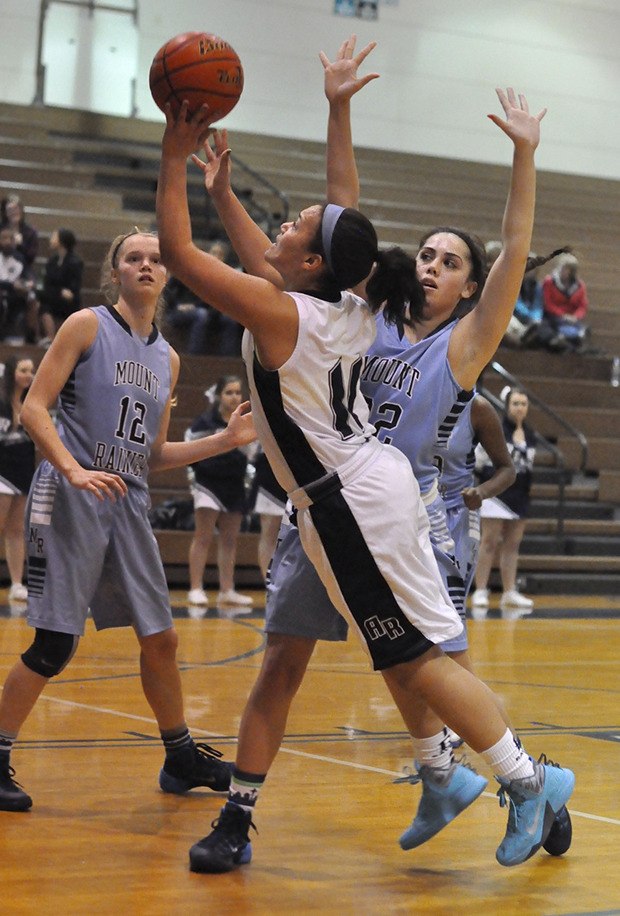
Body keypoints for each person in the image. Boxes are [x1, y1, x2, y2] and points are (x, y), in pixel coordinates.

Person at [156, 38, 574, 875]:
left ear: (469, 284)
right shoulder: (361, 311)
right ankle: (440, 775)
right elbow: (329, 219)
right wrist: (334, 109)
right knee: (378, 659)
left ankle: (528, 779)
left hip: (382, 505)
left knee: (421, 662)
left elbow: (235, 253)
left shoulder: (454, 342)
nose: (433, 265)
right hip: (331, 503)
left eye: (451, 261)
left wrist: (525, 156)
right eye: (427, 254)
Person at [0, 228, 257, 814]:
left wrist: (224, 440)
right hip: (71, 496)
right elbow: (34, 408)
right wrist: (72, 469)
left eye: (156, 259)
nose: (145, 265)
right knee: (54, 644)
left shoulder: (168, 357)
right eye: (133, 257)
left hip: (128, 502)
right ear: (114, 271)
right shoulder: (85, 326)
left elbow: (154, 454)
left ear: (168, 274)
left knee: (162, 638)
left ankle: (180, 757)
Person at [185, 374, 254, 608]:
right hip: (208, 484)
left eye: (238, 392)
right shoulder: (204, 423)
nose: (234, 397)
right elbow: (191, 453)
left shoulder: (246, 422)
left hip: (234, 485)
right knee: (203, 536)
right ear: (218, 395)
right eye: (229, 392)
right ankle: (195, 588)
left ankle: (227, 590)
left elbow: (252, 454)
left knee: (230, 540)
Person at [471, 386, 537, 614]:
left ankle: (509, 591)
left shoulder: (531, 434)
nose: (520, 408)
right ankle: (480, 589)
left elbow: (528, 466)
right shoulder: (497, 429)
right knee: (489, 541)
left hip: (520, 495)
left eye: (523, 404)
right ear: (507, 406)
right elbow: (480, 461)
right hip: (497, 493)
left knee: (512, 544)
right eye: (515, 403)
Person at [164, 239, 242, 355]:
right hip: (180, 311)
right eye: (214, 252)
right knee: (201, 315)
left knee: (231, 319)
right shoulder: (186, 270)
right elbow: (167, 291)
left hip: (210, 312)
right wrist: (178, 305)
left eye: (220, 255)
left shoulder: (224, 276)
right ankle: (194, 357)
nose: (216, 257)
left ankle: (227, 360)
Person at [0, 355, 36, 601]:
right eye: (24, 370)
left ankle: (16, 583)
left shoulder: (31, 405)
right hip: (2, 472)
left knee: (16, 529)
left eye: (31, 371)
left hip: (23, 471)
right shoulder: (1, 402)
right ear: (11, 372)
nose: (29, 375)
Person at [37, 228, 84, 345]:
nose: (51, 239)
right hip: (54, 294)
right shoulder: (52, 260)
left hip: (69, 299)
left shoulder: (75, 261)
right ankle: (49, 337)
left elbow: (73, 287)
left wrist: (63, 291)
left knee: (55, 302)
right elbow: (48, 282)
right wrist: (59, 291)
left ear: (62, 240)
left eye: (54, 236)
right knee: (42, 302)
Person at [249, 444, 287, 583]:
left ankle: (293, 586)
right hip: (270, 465)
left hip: (300, 465)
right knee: (269, 532)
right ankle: (270, 585)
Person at [542, 252, 589, 351]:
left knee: (578, 327)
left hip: (572, 318)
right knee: (554, 326)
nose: (565, 272)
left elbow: (582, 306)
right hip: (554, 316)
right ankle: (565, 339)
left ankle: (574, 337)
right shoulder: (549, 282)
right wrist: (562, 315)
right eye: (563, 268)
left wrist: (575, 316)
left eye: (568, 270)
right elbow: (548, 303)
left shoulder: (580, 285)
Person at [0, 226, 38, 343]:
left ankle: (31, 338)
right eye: (4, 238)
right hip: (3, 291)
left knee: (32, 299)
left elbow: (27, 274)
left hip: (15, 294)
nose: (7, 242)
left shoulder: (20, 258)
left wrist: (30, 282)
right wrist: (11, 285)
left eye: (10, 239)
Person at [0, 195, 39, 270]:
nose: (14, 212)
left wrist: (20, 245)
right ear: (5, 212)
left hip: (23, 269)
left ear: (21, 210)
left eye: (16, 208)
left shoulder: (30, 232)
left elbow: (30, 259)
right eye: (10, 209)